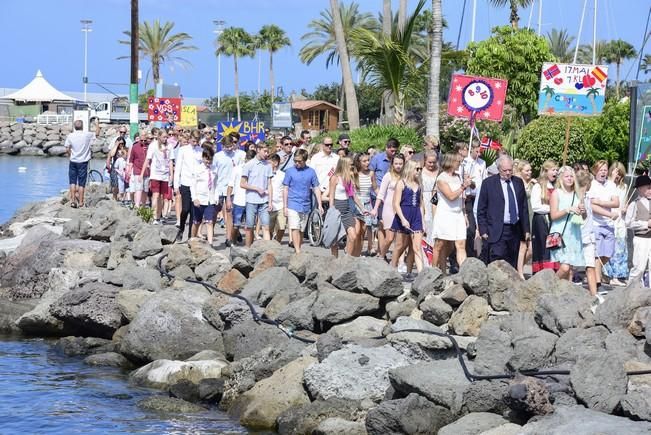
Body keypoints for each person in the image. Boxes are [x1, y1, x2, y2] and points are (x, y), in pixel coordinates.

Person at [476, 155, 530, 268]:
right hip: (496, 229)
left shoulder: (518, 182)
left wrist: (526, 229)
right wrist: (483, 229)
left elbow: (523, 207)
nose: (508, 173)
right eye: (505, 170)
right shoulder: (488, 183)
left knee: (511, 261)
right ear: (499, 169)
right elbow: (481, 208)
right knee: (497, 259)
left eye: (510, 170)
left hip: (514, 228)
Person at [431, 153, 471, 272]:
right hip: (445, 214)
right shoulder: (441, 179)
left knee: (460, 244)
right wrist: (463, 186)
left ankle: (465, 271)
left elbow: (465, 194)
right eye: (458, 161)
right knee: (440, 244)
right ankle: (434, 271)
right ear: (451, 162)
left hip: (458, 214)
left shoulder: (458, 177)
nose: (459, 163)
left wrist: (464, 214)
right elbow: (451, 196)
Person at [282, 148, 322, 254]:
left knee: (301, 229)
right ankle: (298, 251)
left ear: (305, 160)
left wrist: (320, 204)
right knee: (294, 227)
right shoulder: (290, 171)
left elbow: (316, 188)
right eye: (295, 161)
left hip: (305, 204)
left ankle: (298, 248)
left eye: (299, 161)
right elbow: (285, 188)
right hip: (293, 203)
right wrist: (285, 206)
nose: (297, 163)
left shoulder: (311, 172)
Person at [588, 160, 620, 290]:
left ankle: (598, 274)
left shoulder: (611, 185)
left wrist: (600, 202)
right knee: (598, 254)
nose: (603, 172)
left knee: (608, 254)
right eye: (600, 170)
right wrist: (608, 212)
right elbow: (592, 206)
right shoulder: (592, 185)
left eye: (605, 170)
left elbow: (616, 203)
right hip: (596, 224)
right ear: (595, 171)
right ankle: (597, 283)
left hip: (609, 225)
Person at [549, 166, 585, 280]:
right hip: (560, 233)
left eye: (571, 176)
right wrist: (567, 210)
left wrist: (582, 211)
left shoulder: (577, 194)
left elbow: (583, 217)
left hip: (573, 233)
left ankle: (563, 293)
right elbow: (553, 216)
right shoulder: (556, 193)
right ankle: (551, 285)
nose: (569, 179)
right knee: (564, 267)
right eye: (566, 177)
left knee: (570, 270)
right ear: (561, 179)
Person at [390, 160, 425, 275]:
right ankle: (392, 270)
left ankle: (419, 274)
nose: (419, 171)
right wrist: (403, 219)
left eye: (420, 169)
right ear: (410, 169)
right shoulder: (401, 183)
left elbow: (420, 204)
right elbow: (396, 203)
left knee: (416, 247)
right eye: (417, 169)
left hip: (416, 215)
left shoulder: (419, 184)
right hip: (404, 214)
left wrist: (423, 222)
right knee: (401, 245)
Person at [329, 156, 364, 258]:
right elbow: (331, 195)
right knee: (334, 239)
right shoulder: (335, 178)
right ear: (344, 165)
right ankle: (334, 260)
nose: (352, 166)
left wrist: (362, 208)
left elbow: (353, 196)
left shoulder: (348, 178)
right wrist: (331, 211)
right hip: (337, 207)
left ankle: (347, 259)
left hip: (347, 208)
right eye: (350, 164)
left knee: (353, 236)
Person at [215, 134, 246, 247]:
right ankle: (226, 237)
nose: (229, 149)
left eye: (231, 146)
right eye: (226, 146)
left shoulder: (239, 155)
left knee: (232, 214)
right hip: (221, 188)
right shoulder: (217, 156)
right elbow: (214, 174)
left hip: (234, 188)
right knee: (221, 213)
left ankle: (231, 235)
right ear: (222, 145)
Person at [373, 152, 405, 260]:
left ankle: (397, 262)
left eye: (400, 163)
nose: (398, 166)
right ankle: (381, 256)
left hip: (401, 208)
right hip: (389, 208)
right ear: (392, 164)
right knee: (390, 238)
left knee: (400, 239)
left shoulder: (405, 176)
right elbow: (381, 194)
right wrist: (375, 209)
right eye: (396, 163)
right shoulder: (388, 176)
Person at [371, 138, 400, 256]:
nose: (393, 153)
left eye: (395, 151)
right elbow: (371, 174)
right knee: (382, 224)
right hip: (378, 195)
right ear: (387, 148)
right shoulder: (377, 158)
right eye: (391, 151)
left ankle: (382, 251)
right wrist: (376, 189)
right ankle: (381, 252)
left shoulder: (397, 161)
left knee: (387, 226)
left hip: (392, 196)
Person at [240, 142, 273, 246]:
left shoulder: (268, 165)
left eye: (268, 151)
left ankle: (267, 250)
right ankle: (248, 248)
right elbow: (242, 184)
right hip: (251, 200)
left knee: (266, 226)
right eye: (265, 151)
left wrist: (270, 202)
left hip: (264, 201)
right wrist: (256, 189)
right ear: (258, 150)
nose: (267, 154)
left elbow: (269, 184)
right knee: (249, 226)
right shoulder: (249, 164)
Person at [530, 160, 559, 273]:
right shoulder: (538, 186)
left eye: (556, 170)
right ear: (546, 171)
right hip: (542, 220)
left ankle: (553, 270)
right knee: (543, 247)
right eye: (553, 170)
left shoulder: (555, 186)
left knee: (553, 247)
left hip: (553, 220)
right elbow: (535, 206)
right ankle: (542, 271)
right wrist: (551, 209)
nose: (555, 172)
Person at [603, 162, 628, 286]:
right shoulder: (607, 185)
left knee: (620, 249)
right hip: (609, 219)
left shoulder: (624, 187)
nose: (617, 175)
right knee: (609, 249)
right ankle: (609, 275)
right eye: (615, 172)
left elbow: (624, 202)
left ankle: (619, 275)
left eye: (620, 173)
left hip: (620, 221)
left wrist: (625, 208)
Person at [64, 119, 99, 208]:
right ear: (82, 126)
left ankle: (72, 200)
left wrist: (70, 155)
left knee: (72, 182)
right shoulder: (87, 135)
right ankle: (80, 202)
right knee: (81, 183)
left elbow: (67, 148)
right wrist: (97, 123)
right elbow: (97, 133)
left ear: (74, 127)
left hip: (73, 160)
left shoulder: (70, 135)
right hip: (83, 162)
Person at [141, 128, 173, 224]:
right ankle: (154, 217)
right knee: (156, 195)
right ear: (158, 137)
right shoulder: (153, 145)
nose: (165, 139)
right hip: (155, 174)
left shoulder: (169, 146)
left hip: (165, 174)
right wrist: (142, 173)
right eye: (163, 137)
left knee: (163, 196)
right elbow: (147, 159)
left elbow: (171, 161)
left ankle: (159, 216)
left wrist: (171, 174)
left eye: (166, 137)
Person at [461, 140, 487, 258]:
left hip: (479, 196)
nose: (479, 154)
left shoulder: (482, 163)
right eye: (477, 151)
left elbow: (484, 179)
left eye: (480, 151)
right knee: (470, 228)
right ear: (472, 149)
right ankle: (469, 254)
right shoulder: (465, 162)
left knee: (479, 226)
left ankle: (480, 254)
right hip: (468, 197)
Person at [625, 174, 651, 286]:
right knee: (639, 268)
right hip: (641, 239)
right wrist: (646, 224)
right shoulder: (634, 204)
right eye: (648, 187)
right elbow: (628, 223)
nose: (650, 190)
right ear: (640, 189)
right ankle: (630, 291)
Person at [576, 170, 598, 296]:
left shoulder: (588, 197)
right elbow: (582, 217)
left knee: (591, 267)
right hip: (576, 237)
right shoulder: (574, 197)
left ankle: (594, 296)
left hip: (589, 236)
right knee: (571, 268)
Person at [228, 149, 256, 245]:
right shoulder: (237, 169)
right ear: (245, 159)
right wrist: (228, 199)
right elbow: (230, 185)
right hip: (239, 200)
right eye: (248, 160)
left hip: (251, 200)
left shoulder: (256, 170)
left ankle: (249, 245)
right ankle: (233, 242)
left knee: (250, 225)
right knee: (236, 225)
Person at [190, 147, 218, 245]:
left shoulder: (214, 169)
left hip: (210, 199)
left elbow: (216, 184)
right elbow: (192, 185)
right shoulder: (197, 169)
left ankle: (210, 244)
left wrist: (216, 197)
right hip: (199, 199)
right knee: (196, 222)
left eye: (210, 159)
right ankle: (192, 239)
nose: (208, 162)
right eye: (207, 159)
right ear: (203, 158)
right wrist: (194, 198)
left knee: (209, 222)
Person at [514, 160, 536, 279]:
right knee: (522, 245)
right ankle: (520, 272)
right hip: (523, 216)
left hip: (532, 215)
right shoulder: (517, 182)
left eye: (530, 170)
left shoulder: (533, 184)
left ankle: (518, 267)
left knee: (531, 249)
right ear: (521, 171)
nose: (530, 172)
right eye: (527, 170)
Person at [354, 152, 377, 256]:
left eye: (368, 160)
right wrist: (360, 206)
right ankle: (355, 248)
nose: (367, 163)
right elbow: (353, 193)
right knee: (358, 230)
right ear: (359, 163)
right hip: (357, 203)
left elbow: (375, 188)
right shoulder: (354, 174)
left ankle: (367, 248)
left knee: (367, 227)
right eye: (364, 161)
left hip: (367, 202)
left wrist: (382, 196)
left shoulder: (371, 173)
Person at [309, 137, 339, 205]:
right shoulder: (315, 158)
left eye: (331, 144)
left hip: (332, 191)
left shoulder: (336, 158)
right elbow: (312, 174)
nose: (329, 146)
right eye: (327, 144)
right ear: (322, 145)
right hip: (317, 190)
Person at [129, 131, 152, 208]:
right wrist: (129, 170)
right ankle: (137, 205)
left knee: (145, 190)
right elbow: (131, 160)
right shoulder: (135, 147)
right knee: (138, 188)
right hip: (137, 170)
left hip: (147, 172)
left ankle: (144, 205)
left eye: (145, 140)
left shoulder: (149, 147)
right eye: (141, 140)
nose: (143, 142)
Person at [268, 153, 286, 243]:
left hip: (281, 204)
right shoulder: (265, 174)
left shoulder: (282, 175)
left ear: (275, 163)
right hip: (269, 205)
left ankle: (277, 241)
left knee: (282, 227)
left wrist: (286, 205)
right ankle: (271, 243)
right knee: (269, 229)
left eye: (269, 162)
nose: (267, 164)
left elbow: (285, 190)